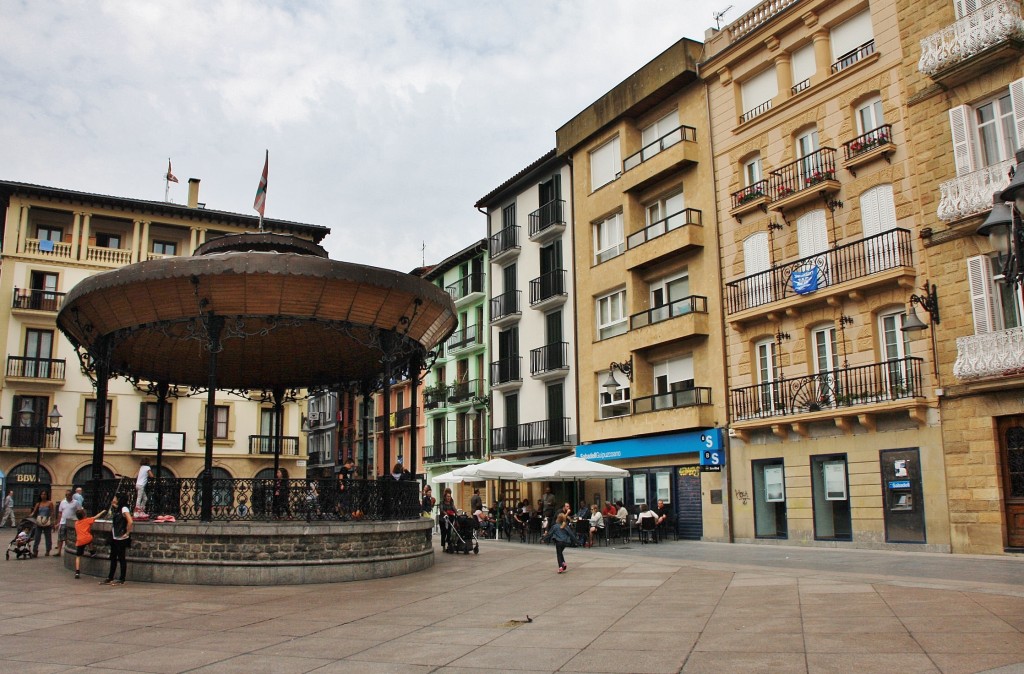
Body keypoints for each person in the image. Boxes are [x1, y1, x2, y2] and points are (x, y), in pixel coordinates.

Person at [101, 495, 133, 585]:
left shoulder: (124, 509)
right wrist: (113, 504)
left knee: (121, 558)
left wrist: (127, 533)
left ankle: (122, 578)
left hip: (121, 537)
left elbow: (130, 521)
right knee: (113, 557)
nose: (113, 499)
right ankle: (110, 577)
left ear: (119, 499)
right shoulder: (120, 508)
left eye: (115, 498)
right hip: (115, 536)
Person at [56, 490, 83, 557]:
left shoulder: (76, 502)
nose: (67, 496)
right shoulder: (63, 502)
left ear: (71, 495)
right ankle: (58, 551)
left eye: (69, 495)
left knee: (69, 537)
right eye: (66, 495)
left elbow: (79, 511)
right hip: (63, 522)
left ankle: (68, 550)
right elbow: (60, 513)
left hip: (72, 522)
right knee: (60, 537)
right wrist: (58, 522)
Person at [73, 510, 98, 579]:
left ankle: (77, 571)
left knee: (78, 556)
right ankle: (92, 551)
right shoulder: (87, 520)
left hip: (80, 541)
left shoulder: (76, 523)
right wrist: (102, 512)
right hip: (87, 538)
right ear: (84, 515)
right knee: (90, 539)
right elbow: (95, 517)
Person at [29, 490, 55, 557]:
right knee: (37, 537)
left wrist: (51, 520)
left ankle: (48, 550)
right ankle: (35, 550)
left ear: (47, 495)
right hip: (39, 521)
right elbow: (34, 512)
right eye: (42, 494)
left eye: (45, 494)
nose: (43, 496)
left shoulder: (49, 503)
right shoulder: (38, 504)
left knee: (48, 537)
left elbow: (52, 512)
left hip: (46, 521)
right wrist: (29, 516)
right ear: (40, 495)